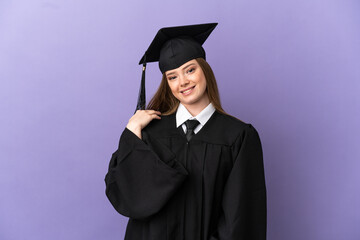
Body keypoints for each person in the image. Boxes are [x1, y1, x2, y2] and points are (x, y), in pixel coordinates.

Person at [104, 23, 267, 240]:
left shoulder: (237, 137)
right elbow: (127, 193)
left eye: (190, 70)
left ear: (204, 70)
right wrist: (132, 131)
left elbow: (241, 217)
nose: (183, 82)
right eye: (172, 76)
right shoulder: (150, 133)